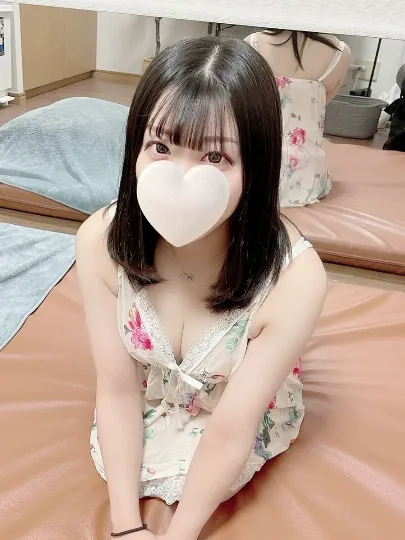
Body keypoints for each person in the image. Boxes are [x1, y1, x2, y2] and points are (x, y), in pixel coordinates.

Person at [76, 36, 327, 540]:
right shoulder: (100, 241)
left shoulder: (295, 279)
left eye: (215, 156)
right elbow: (118, 387)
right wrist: (125, 526)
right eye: (160, 147)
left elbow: (233, 428)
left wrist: (178, 535)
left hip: (234, 420)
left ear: (255, 166)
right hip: (148, 405)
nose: (180, 178)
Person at [245, 30, 351, 207]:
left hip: (257, 170)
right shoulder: (341, 53)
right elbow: (322, 105)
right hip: (309, 177)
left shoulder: (251, 44)